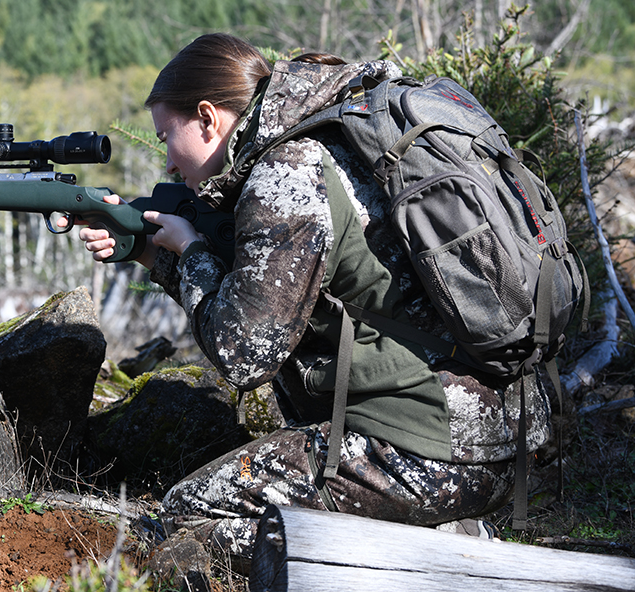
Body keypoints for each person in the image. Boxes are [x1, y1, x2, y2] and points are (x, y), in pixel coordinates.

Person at [76, 33, 551, 565]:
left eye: (167, 136)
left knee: (187, 520)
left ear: (208, 117)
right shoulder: (326, 136)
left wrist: (188, 251)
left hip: (432, 445)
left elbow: (244, 354)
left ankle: (430, 553)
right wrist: (151, 254)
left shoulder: (286, 172)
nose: (166, 161)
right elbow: (273, 286)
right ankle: (445, 535)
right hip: (500, 430)